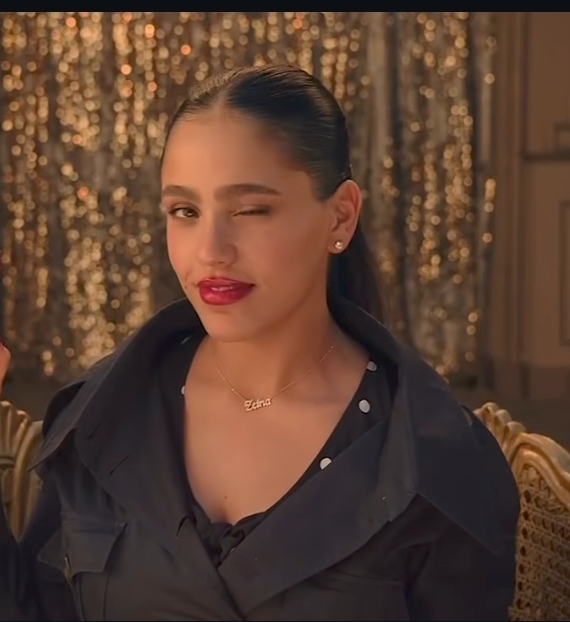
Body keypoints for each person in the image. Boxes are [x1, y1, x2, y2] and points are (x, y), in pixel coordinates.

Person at [0, 64, 519, 621]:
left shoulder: (434, 458)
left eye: (249, 210)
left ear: (340, 216)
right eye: (185, 212)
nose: (211, 250)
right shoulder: (102, 415)